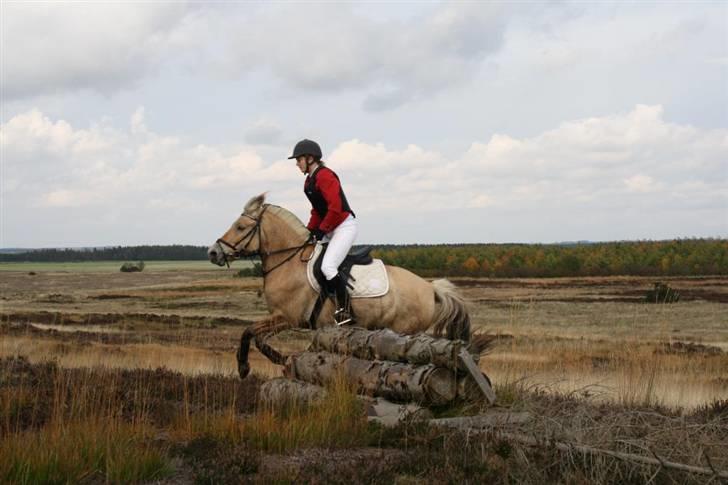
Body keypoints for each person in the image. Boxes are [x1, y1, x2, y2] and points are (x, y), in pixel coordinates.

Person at [289, 139, 358, 325]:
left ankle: (346, 311)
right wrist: (309, 231)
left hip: (343, 226)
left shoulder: (325, 176)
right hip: (330, 227)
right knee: (312, 262)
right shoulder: (309, 183)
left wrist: (321, 231)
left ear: (310, 158)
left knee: (328, 267)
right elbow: (317, 211)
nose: (297, 163)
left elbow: (335, 208)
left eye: (298, 159)